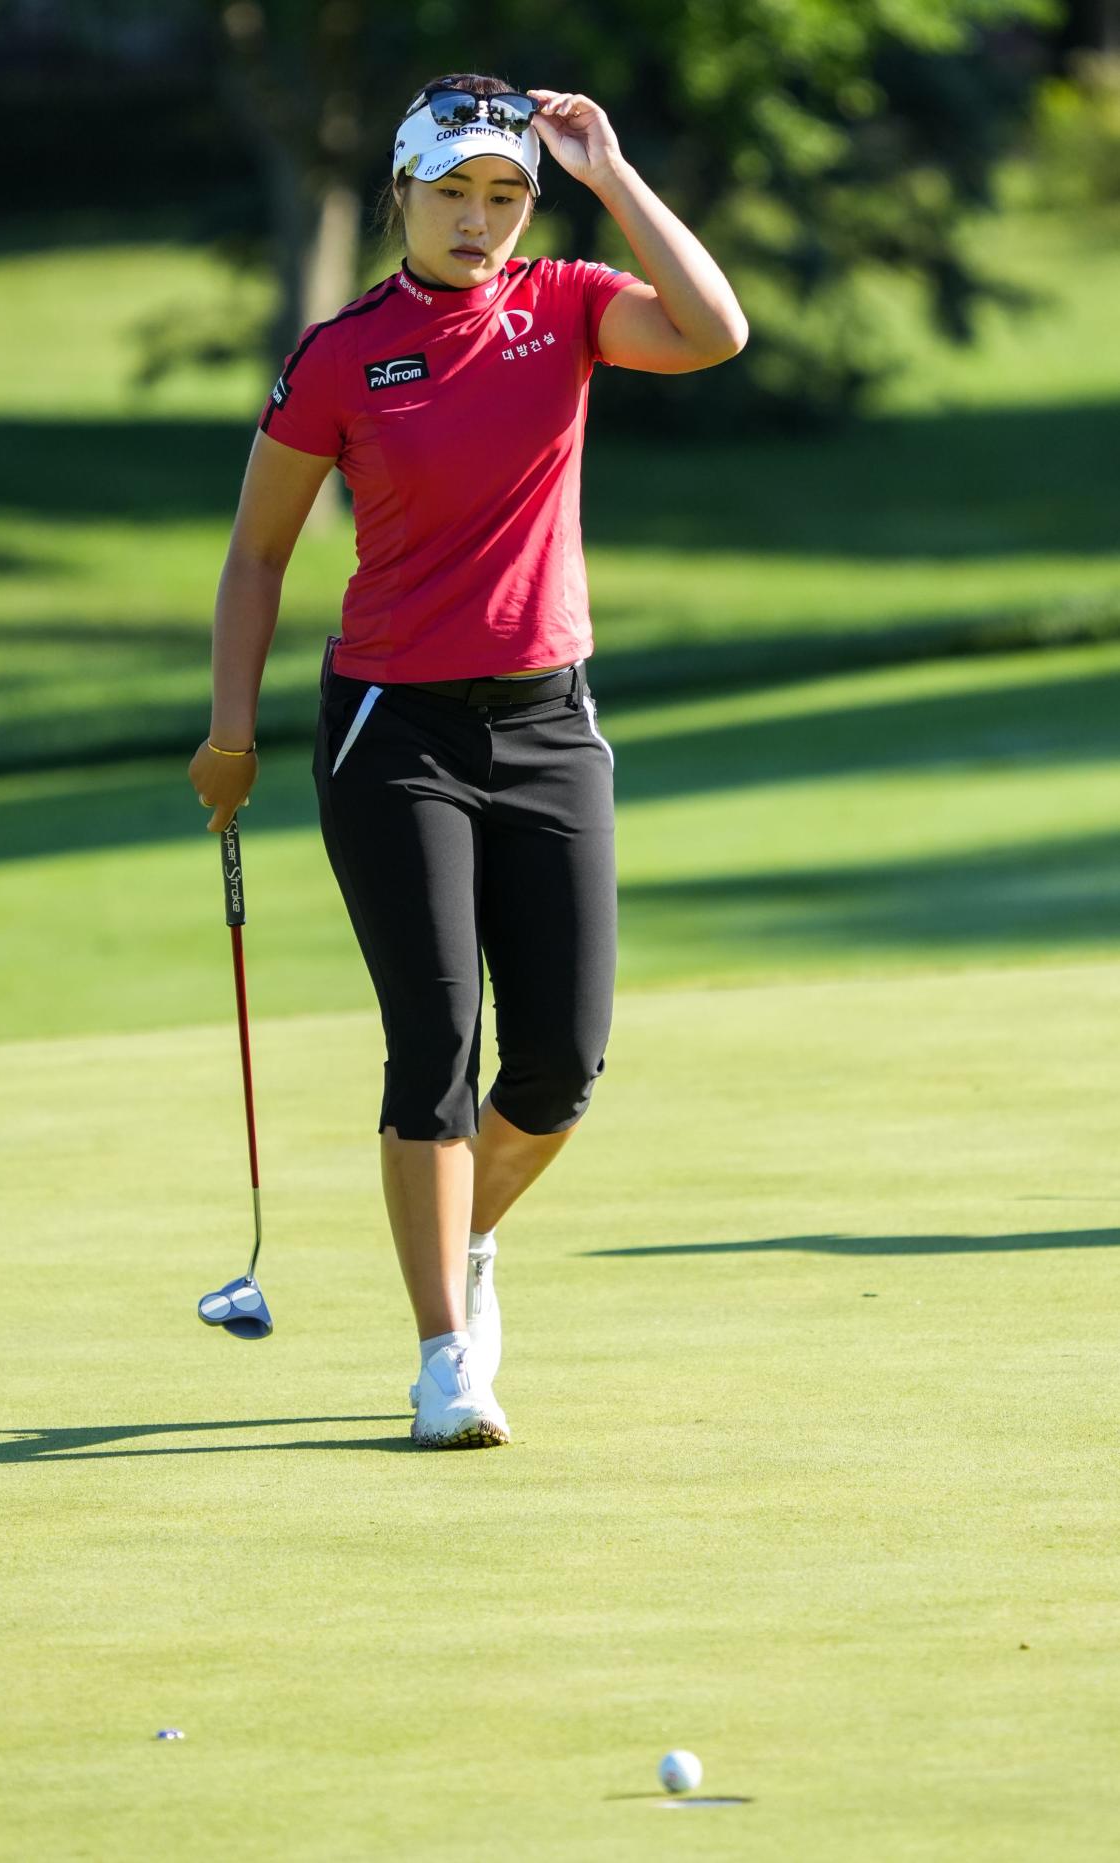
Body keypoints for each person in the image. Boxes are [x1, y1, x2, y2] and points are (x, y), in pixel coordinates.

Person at [188, 73, 747, 1450]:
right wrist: (229, 731)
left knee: (558, 1061)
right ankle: (446, 1352)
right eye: (453, 193)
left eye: (504, 195)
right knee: (434, 1048)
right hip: (394, 729)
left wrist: (608, 171)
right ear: (402, 196)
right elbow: (257, 554)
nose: (480, 219)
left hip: (547, 722)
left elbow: (715, 331)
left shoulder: (564, 305)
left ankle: (456, 1236)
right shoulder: (340, 356)